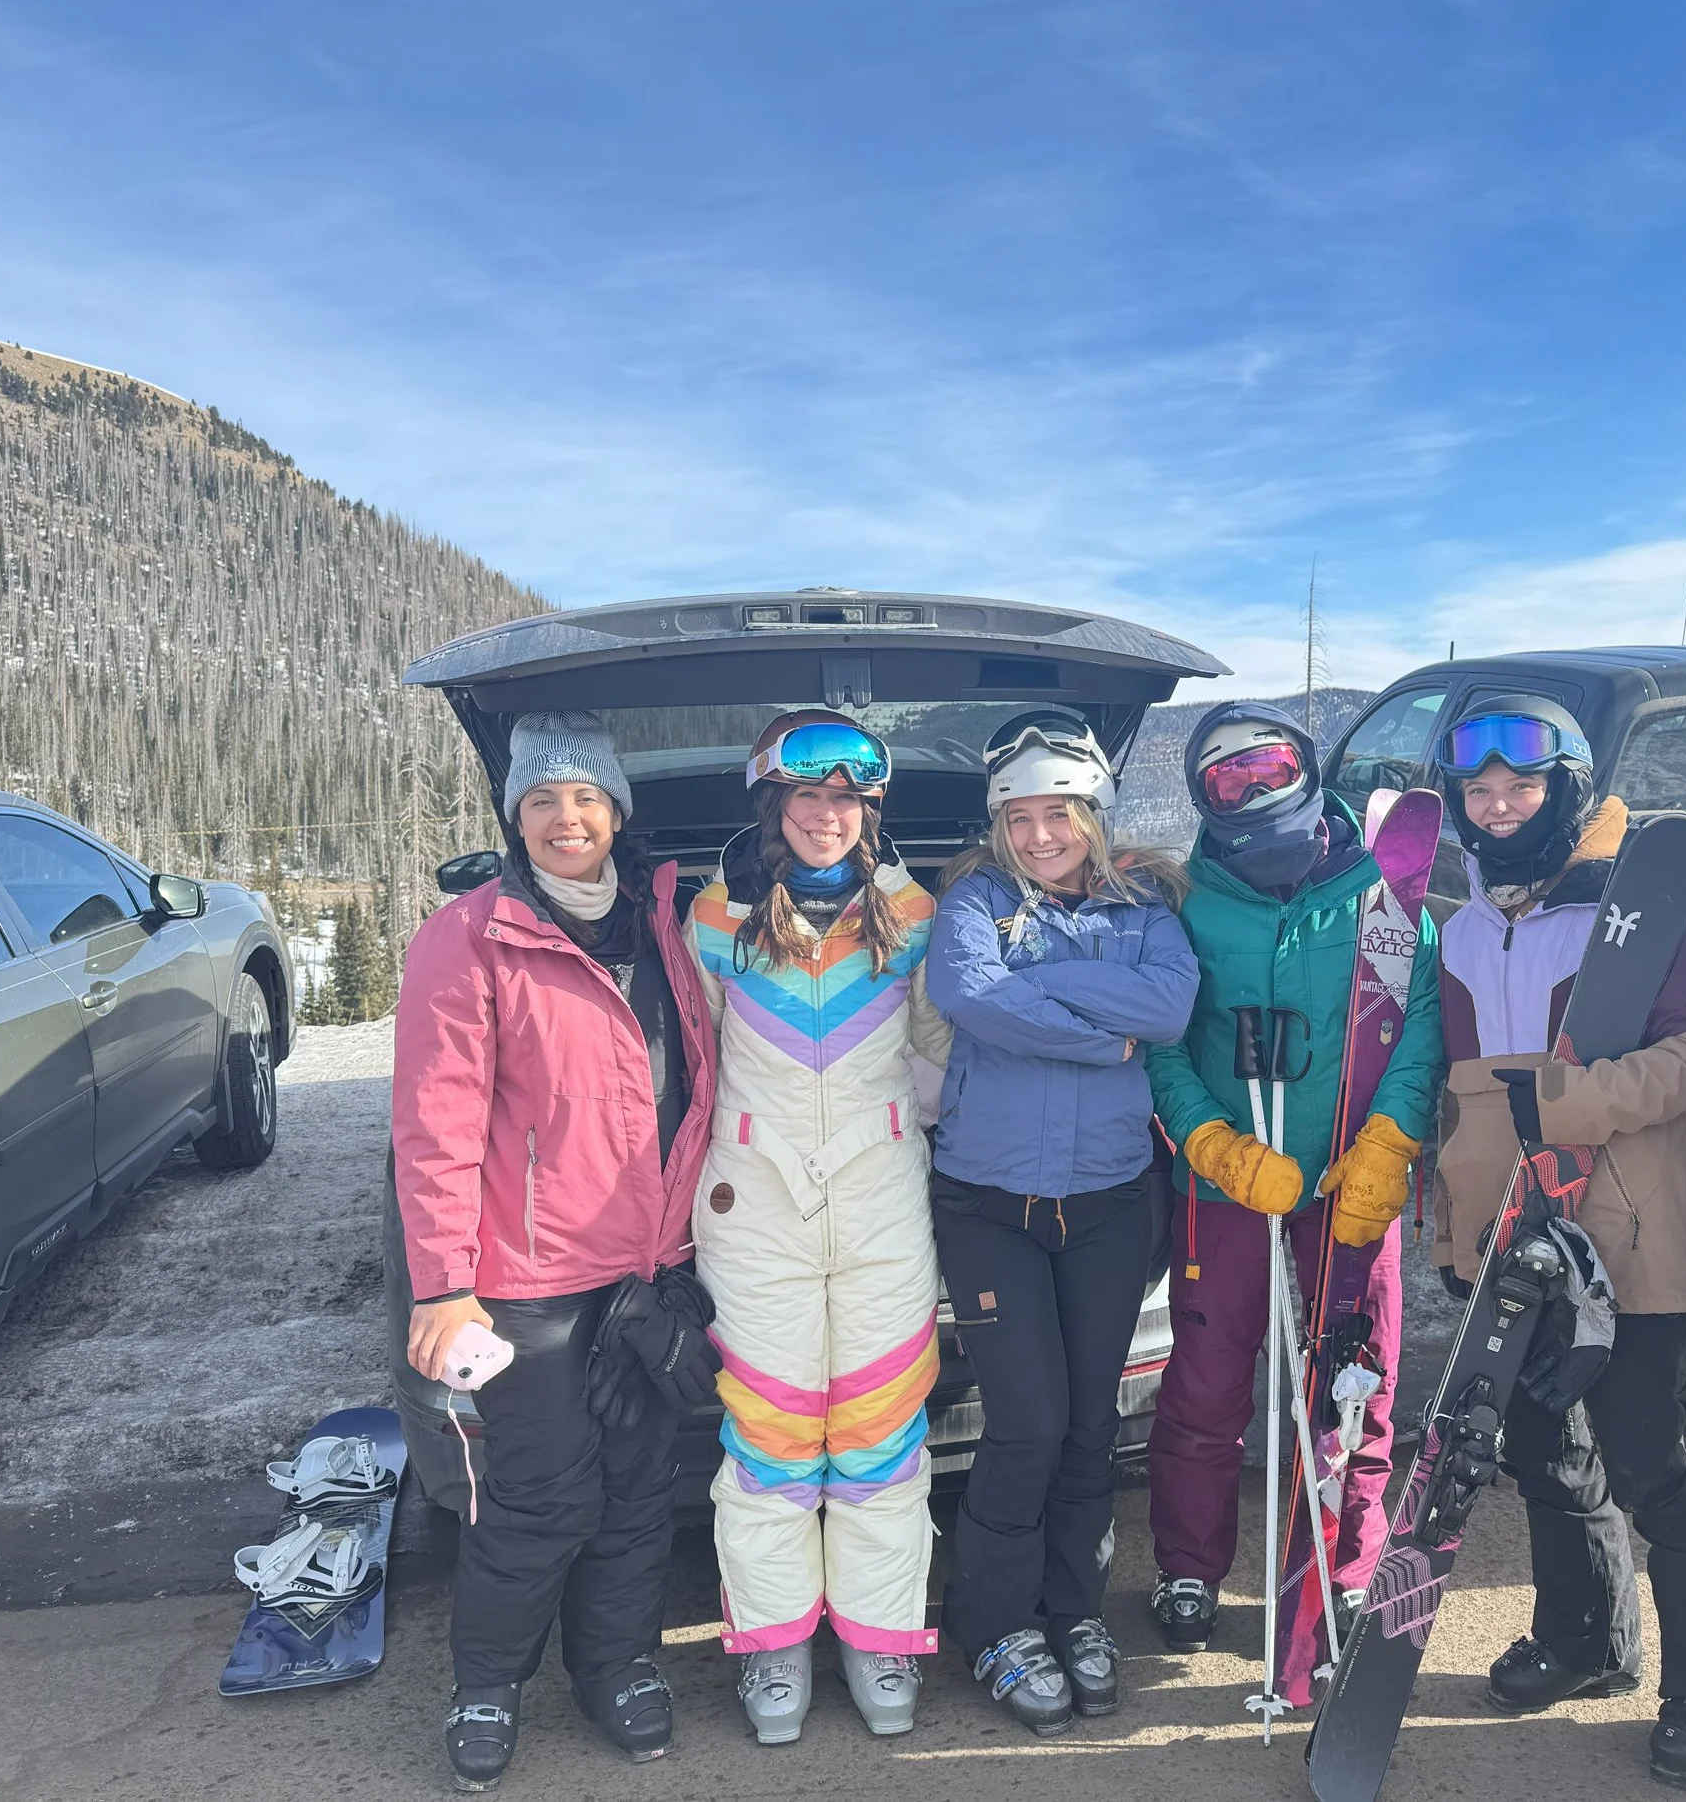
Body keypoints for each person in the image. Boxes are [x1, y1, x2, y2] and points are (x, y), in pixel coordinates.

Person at [1425, 695, 1686, 1787]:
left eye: (1519, 786)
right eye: (1477, 791)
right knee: (1536, 1447)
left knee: (1645, 1459)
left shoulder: (1633, 910)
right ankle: (1584, 1641)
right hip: (1511, 1226)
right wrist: (1456, 1211)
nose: (1499, 805)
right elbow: (1466, 1097)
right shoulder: (1464, 925)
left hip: (1624, 1222)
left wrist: (1573, 1102)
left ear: (1561, 788)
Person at [394, 710, 719, 1790]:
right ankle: (487, 1684)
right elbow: (434, 1122)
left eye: (584, 798)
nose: (564, 818)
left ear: (615, 812)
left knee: (636, 1489)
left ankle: (616, 1666)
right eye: (541, 800)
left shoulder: (662, 926)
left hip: (645, 1267)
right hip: (522, 1284)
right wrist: (442, 1285)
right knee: (540, 1497)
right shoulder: (473, 934)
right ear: (515, 818)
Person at [1143, 703, 1443, 1670]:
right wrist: (1214, 1144)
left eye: (1271, 767)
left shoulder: (1383, 895)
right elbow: (1163, 1049)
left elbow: (1417, 1026)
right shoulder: (1188, 904)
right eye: (1228, 778)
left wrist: (1390, 1142)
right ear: (1205, 799)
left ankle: (1341, 1563)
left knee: (1355, 1384)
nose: (1255, 789)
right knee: (1205, 1382)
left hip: (1350, 1186)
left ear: (1309, 772)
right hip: (1233, 1187)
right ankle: (1190, 1564)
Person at [924, 711, 1200, 1735]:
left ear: (1093, 814)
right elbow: (969, 995)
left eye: (1059, 814)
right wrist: (1099, 1038)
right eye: (1020, 816)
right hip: (992, 1204)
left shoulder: (1146, 911)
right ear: (998, 823)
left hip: (1110, 1204)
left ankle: (1072, 1611)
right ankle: (994, 1621)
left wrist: (1041, 981)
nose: (1041, 835)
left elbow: (1167, 1012)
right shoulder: (973, 903)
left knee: (1090, 1426)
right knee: (1028, 1423)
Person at [684, 709, 951, 1744]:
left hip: (883, 1198)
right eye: (808, 796)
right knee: (769, 1438)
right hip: (755, 1209)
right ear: (772, 804)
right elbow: (687, 1074)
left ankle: (881, 1640)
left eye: (847, 799)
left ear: (868, 812)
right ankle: (773, 1646)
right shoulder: (715, 921)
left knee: (883, 1434)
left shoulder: (912, 913)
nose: (827, 815)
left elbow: (944, 1047)